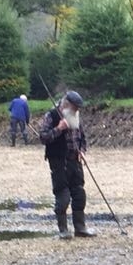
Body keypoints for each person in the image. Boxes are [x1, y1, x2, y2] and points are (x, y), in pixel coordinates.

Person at [39, 89, 92, 239]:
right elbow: (43, 137)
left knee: (79, 194)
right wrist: (59, 129)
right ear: (66, 105)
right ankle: (63, 230)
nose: (77, 111)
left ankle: (80, 228)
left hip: (75, 161)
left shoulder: (76, 117)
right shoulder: (51, 115)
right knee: (63, 197)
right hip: (58, 161)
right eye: (75, 108)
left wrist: (82, 151)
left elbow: (82, 138)